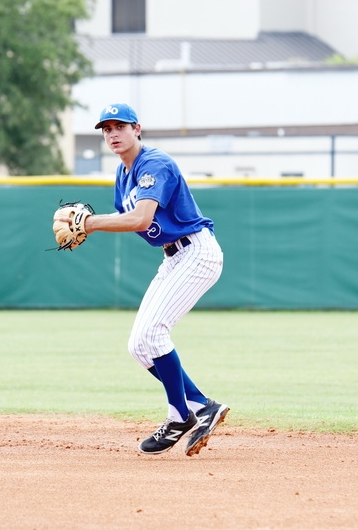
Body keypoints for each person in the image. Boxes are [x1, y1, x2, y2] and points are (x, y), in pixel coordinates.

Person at [84, 103, 229, 456]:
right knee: (139, 345)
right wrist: (97, 223)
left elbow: (140, 218)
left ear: (137, 129)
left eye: (120, 126)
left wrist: (90, 223)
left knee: (154, 333)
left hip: (197, 252)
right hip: (174, 256)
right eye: (106, 129)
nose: (112, 134)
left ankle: (180, 414)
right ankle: (200, 405)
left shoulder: (154, 164)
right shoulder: (123, 174)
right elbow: (131, 219)